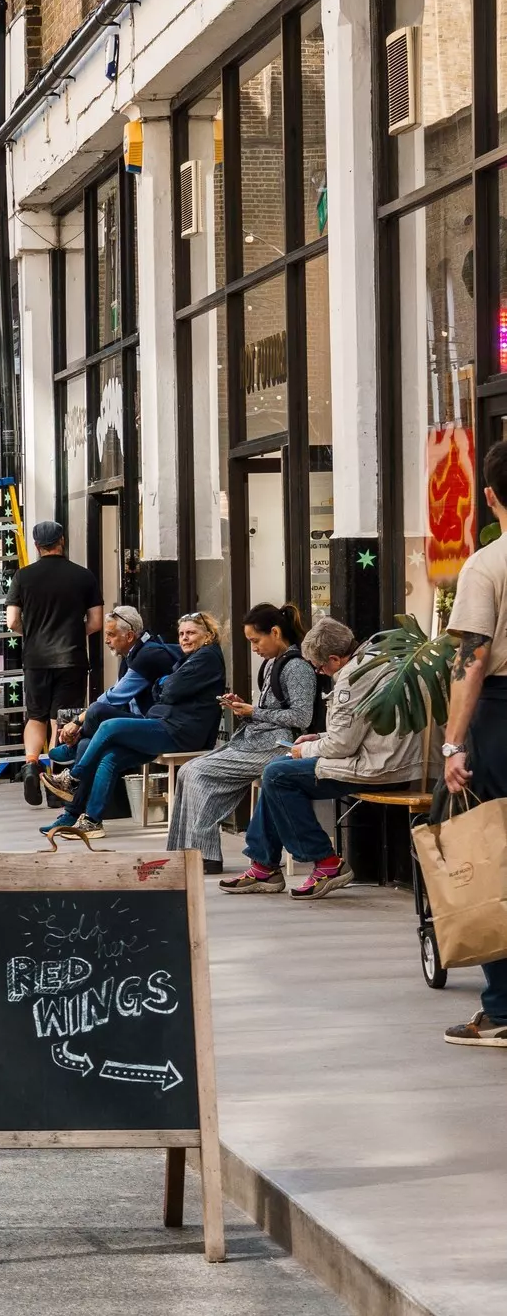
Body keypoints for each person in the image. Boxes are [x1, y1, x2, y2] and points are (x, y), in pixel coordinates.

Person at [221, 619, 420, 899]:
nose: (318, 671)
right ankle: (264, 865)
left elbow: (341, 745)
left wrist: (304, 750)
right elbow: (361, 728)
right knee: (277, 770)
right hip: (388, 759)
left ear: (335, 658)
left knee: (279, 774)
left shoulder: (353, 676)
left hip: (381, 766)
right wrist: (317, 738)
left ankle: (323, 862)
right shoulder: (376, 661)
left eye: (319, 665)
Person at [42, 613, 226, 840]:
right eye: (181, 633)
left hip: (180, 731)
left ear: (208, 636)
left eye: (191, 633)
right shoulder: (189, 657)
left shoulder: (205, 657)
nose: (184, 639)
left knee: (108, 726)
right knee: (109, 756)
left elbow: (168, 690)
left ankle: (74, 777)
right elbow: (163, 690)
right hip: (166, 724)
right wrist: (165, 684)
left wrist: (165, 684)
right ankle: (91, 820)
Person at [165, 603, 316, 873]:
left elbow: (302, 718)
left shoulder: (297, 667)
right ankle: (187, 853)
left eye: (256, 640)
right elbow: (274, 711)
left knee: (198, 772)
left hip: (278, 746)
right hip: (259, 740)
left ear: (276, 632)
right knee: (187, 770)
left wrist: (254, 711)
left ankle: (205, 855)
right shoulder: (272, 664)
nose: (254, 648)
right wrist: (245, 710)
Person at [441, 439, 507, 1044]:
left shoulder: (487, 563)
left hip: (503, 717)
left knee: (493, 857)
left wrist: (452, 743)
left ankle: (504, 1008)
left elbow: (473, 658)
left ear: (489, 495)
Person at [5, 520, 105, 806]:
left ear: (37, 545)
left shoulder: (23, 576)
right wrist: (75, 631)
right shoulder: (84, 576)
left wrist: (32, 634)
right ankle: (55, 781)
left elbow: (12, 621)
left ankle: (31, 765)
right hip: (71, 658)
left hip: (35, 659)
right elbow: (96, 622)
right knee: (61, 720)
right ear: (62, 540)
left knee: (35, 715)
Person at [40, 605, 183, 801]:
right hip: (143, 721)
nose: (106, 640)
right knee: (86, 743)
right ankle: (80, 815)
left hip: (155, 726)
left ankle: (72, 764)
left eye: (111, 635)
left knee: (98, 712)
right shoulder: (132, 655)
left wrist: (77, 722)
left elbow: (113, 697)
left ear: (130, 636)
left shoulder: (148, 656)